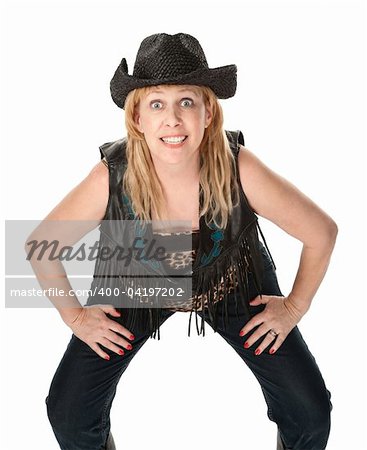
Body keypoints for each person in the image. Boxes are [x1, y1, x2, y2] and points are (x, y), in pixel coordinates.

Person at [31, 33, 337, 449]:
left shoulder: (238, 167)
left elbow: (321, 232)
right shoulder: (112, 174)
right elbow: (41, 246)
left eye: (186, 102)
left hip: (234, 279)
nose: (172, 119)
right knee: (69, 411)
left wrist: (294, 307)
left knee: (310, 412)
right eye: (156, 103)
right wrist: (76, 317)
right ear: (137, 117)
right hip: (137, 282)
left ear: (208, 112)